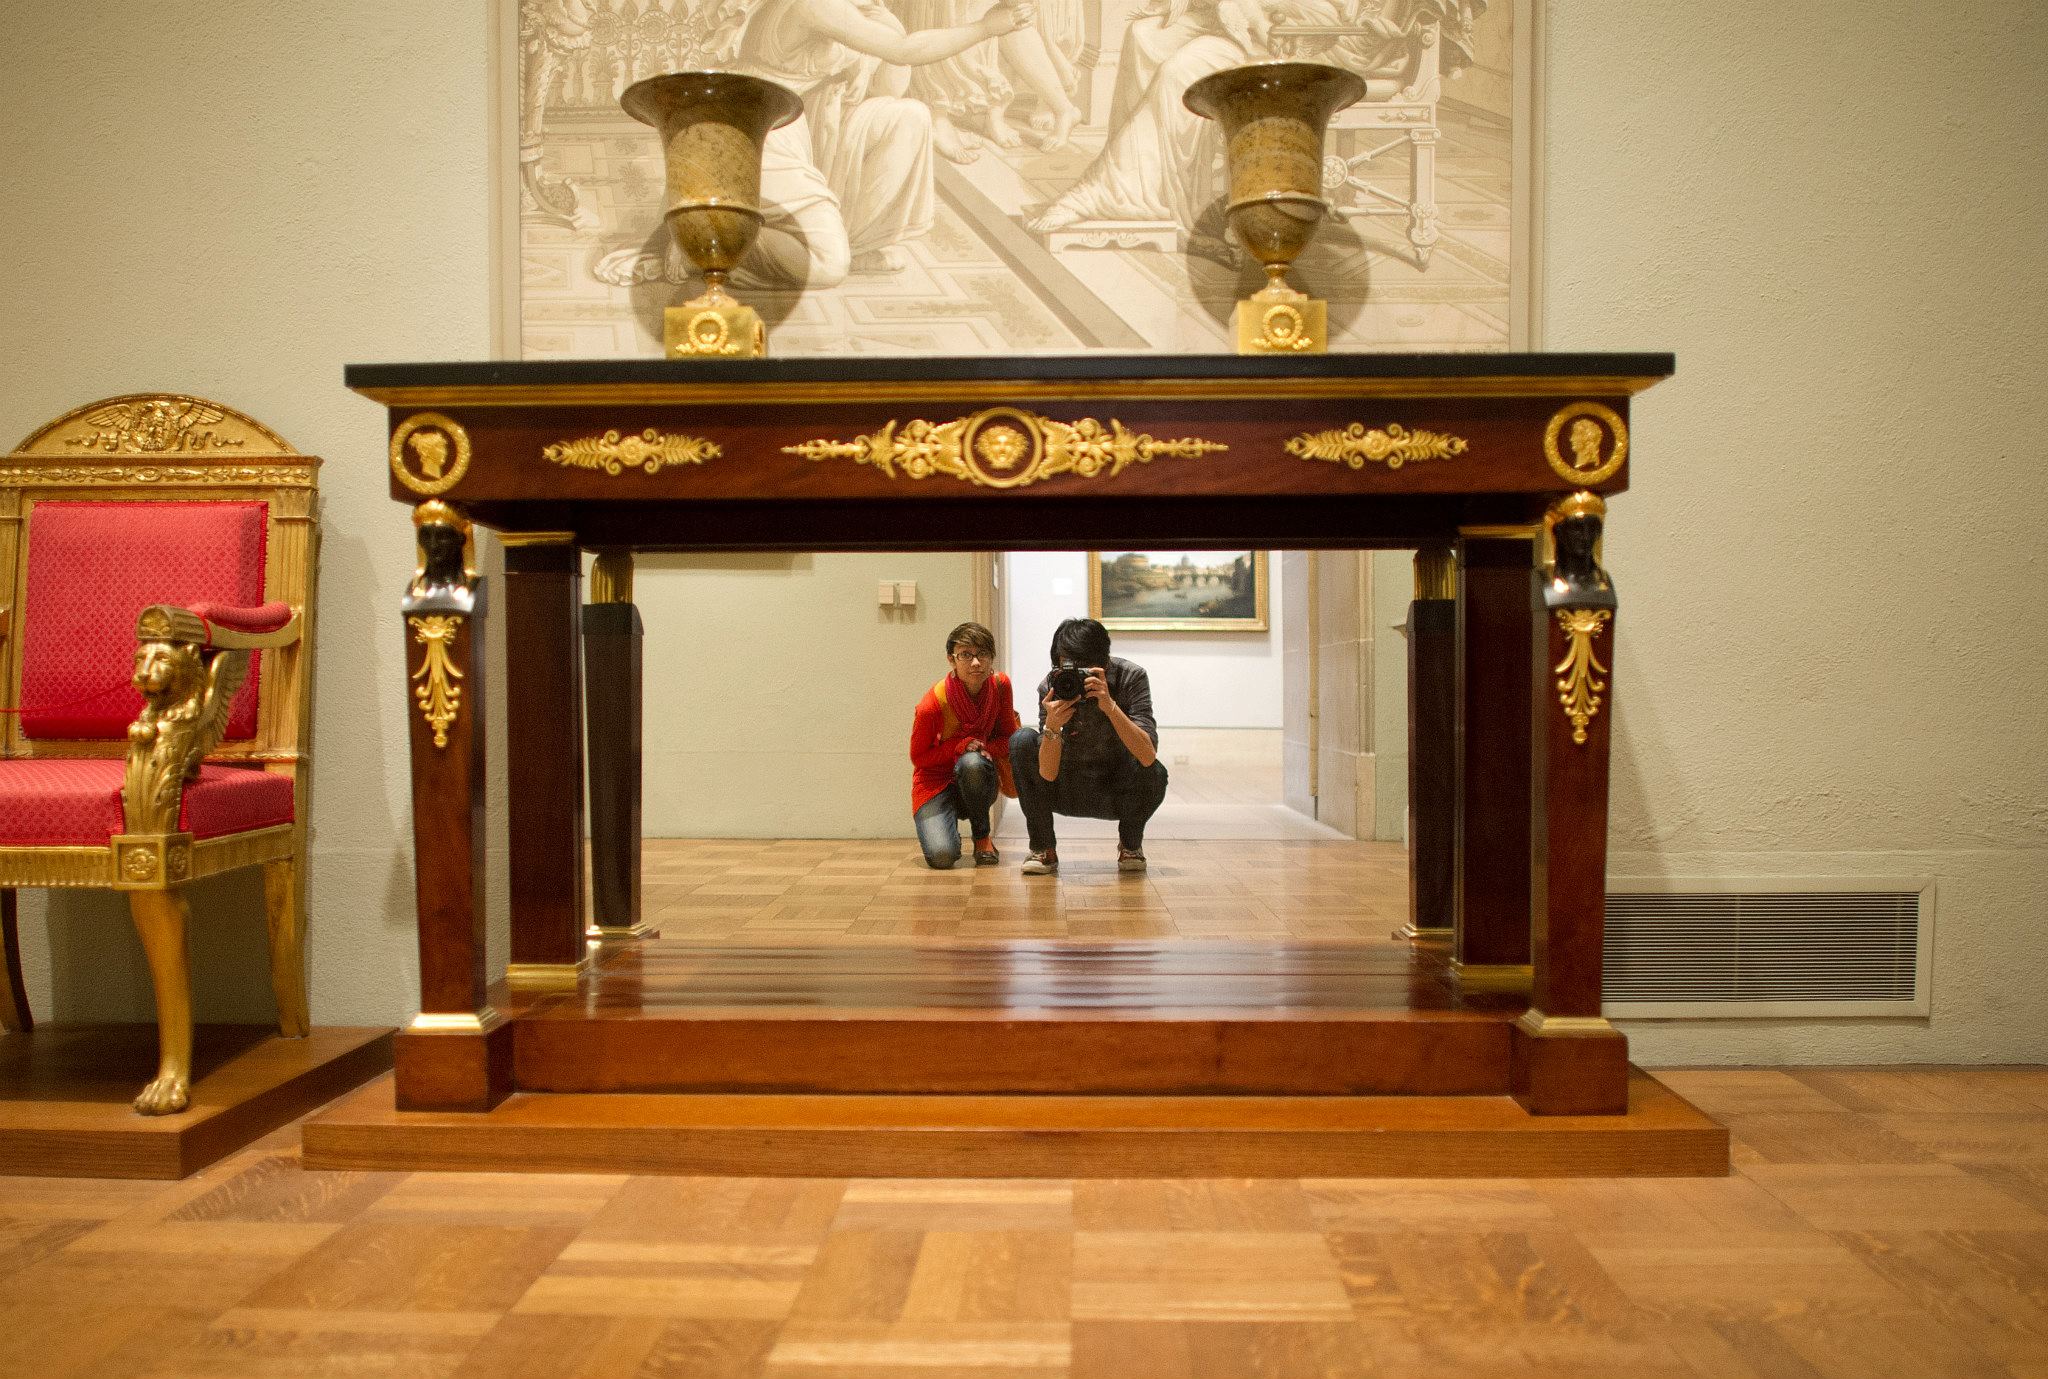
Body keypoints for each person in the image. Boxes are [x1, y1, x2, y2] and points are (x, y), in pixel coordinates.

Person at [1008, 617, 1169, 874]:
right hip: (1065, 787)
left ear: (1104, 662)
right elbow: (1047, 774)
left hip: (1115, 788)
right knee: (1021, 741)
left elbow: (1148, 756)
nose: (1077, 676)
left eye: (1085, 668)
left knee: (1157, 773)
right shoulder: (1053, 686)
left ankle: (1130, 844)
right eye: (1069, 666)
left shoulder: (1130, 677)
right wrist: (1052, 726)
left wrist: (1110, 706)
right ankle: (1043, 848)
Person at [910, 621, 1020, 868]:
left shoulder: (1001, 686)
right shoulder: (932, 704)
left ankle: (982, 837)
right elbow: (919, 758)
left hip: (978, 776)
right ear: (952, 660)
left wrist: (981, 748)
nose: (976, 663)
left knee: (971, 762)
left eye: (982, 654)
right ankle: (948, 831)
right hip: (935, 783)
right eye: (966, 655)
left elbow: (1008, 740)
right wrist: (957, 746)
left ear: (992, 658)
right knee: (942, 857)